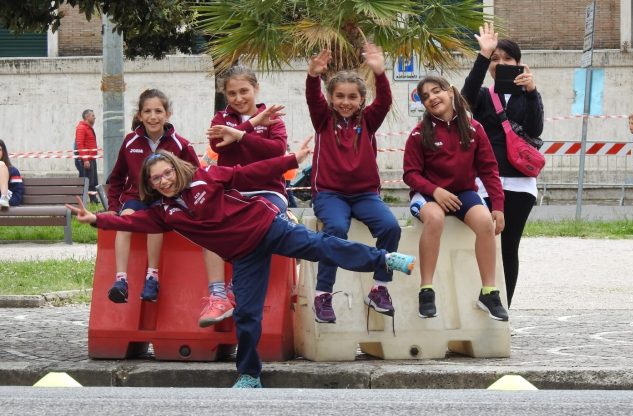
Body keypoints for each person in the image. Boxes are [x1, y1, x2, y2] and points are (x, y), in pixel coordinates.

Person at [66, 146, 416, 388]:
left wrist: (291, 160)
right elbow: (130, 223)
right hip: (245, 256)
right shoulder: (164, 213)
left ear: (176, 167)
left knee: (323, 246)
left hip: (268, 227)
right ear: (150, 184)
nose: (164, 181)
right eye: (156, 179)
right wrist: (97, 219)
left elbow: (249, 172)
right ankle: (249, 375)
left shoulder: (206, 177)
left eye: (166, 173)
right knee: (247, 315)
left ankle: (384, 259)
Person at [305, 43, 401, 324]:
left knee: (391, 227)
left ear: (361, 99)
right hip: (330, 195)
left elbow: (384, 101)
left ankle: (379, 288)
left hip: (365, 195)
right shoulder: (323, 119)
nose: (345, 102)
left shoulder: (368, 120)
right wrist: (313, 75)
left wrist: (380, 73)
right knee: (335, 229)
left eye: (352, 97)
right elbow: (312, 98)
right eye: (339, 96)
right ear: (331, 98)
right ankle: (323, 294)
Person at [403, 75, 507, 321]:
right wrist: (435, 191)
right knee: (435, 219)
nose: (432, 98)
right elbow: (410, 174)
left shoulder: (474, 128)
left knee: (485, 222)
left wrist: (498, 205)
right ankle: (426, 291)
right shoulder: (419, 133)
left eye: (436, 91)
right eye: (425, 96)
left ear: (450, 92)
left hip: (463, 194)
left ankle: (489, 293)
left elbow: (489, 169)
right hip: (428, 195)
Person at [461, 23, 544, 309]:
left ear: (519, 63)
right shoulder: (484, 96)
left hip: (520, 183)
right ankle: (481, 299)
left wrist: (531, 92)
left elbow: (535, 129)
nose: (501, 64)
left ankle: (504, 308)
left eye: (508, 59)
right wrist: (483, 56)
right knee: (481, 244)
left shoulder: (528, 95)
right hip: (484, 183)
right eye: (496, 59)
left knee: (509, 247)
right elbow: (465, 99)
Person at [202, 65, 288, 328]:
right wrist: (251, 126)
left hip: (268, 191)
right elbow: (218, 144)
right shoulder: (220, 118)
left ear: (256, 88)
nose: (238, 98)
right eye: (232, 93)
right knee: (207, 222)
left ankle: (235, 288)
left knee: (260, 225)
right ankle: (218, 295)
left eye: (244, 91)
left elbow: (276, 151)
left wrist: (239, 135)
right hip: (232, 190)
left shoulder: (272, 117)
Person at [105, 89, 201, 304]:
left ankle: (152, 278)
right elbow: (117, 177)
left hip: (165, 198)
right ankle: (121, 281)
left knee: (154, 222)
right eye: (147, 111)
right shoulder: (130, 142)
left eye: (158, 111)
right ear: (140, 115)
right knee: (124, 221)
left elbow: (196, 175)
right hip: (136, 196)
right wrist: (112, 207)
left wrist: (193, 206)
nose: (153, 116)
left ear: (168, 114)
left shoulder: (180, 144)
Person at [75, 109, 99, 204]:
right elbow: (80, 145)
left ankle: (93, 200)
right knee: (86, 181)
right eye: (92, 115)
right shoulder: (81, 128)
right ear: (87, 117)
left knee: (93, 181)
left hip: (91, 159)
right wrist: (85, 160)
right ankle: (80, 201)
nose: (94, 117)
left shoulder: (88, 128)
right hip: (86, 160)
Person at [0, 140, 24, 210]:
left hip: (6, 201)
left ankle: (3, 198)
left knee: (1, 164)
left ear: (3, 152)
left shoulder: (13, 171)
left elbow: (17, 198)